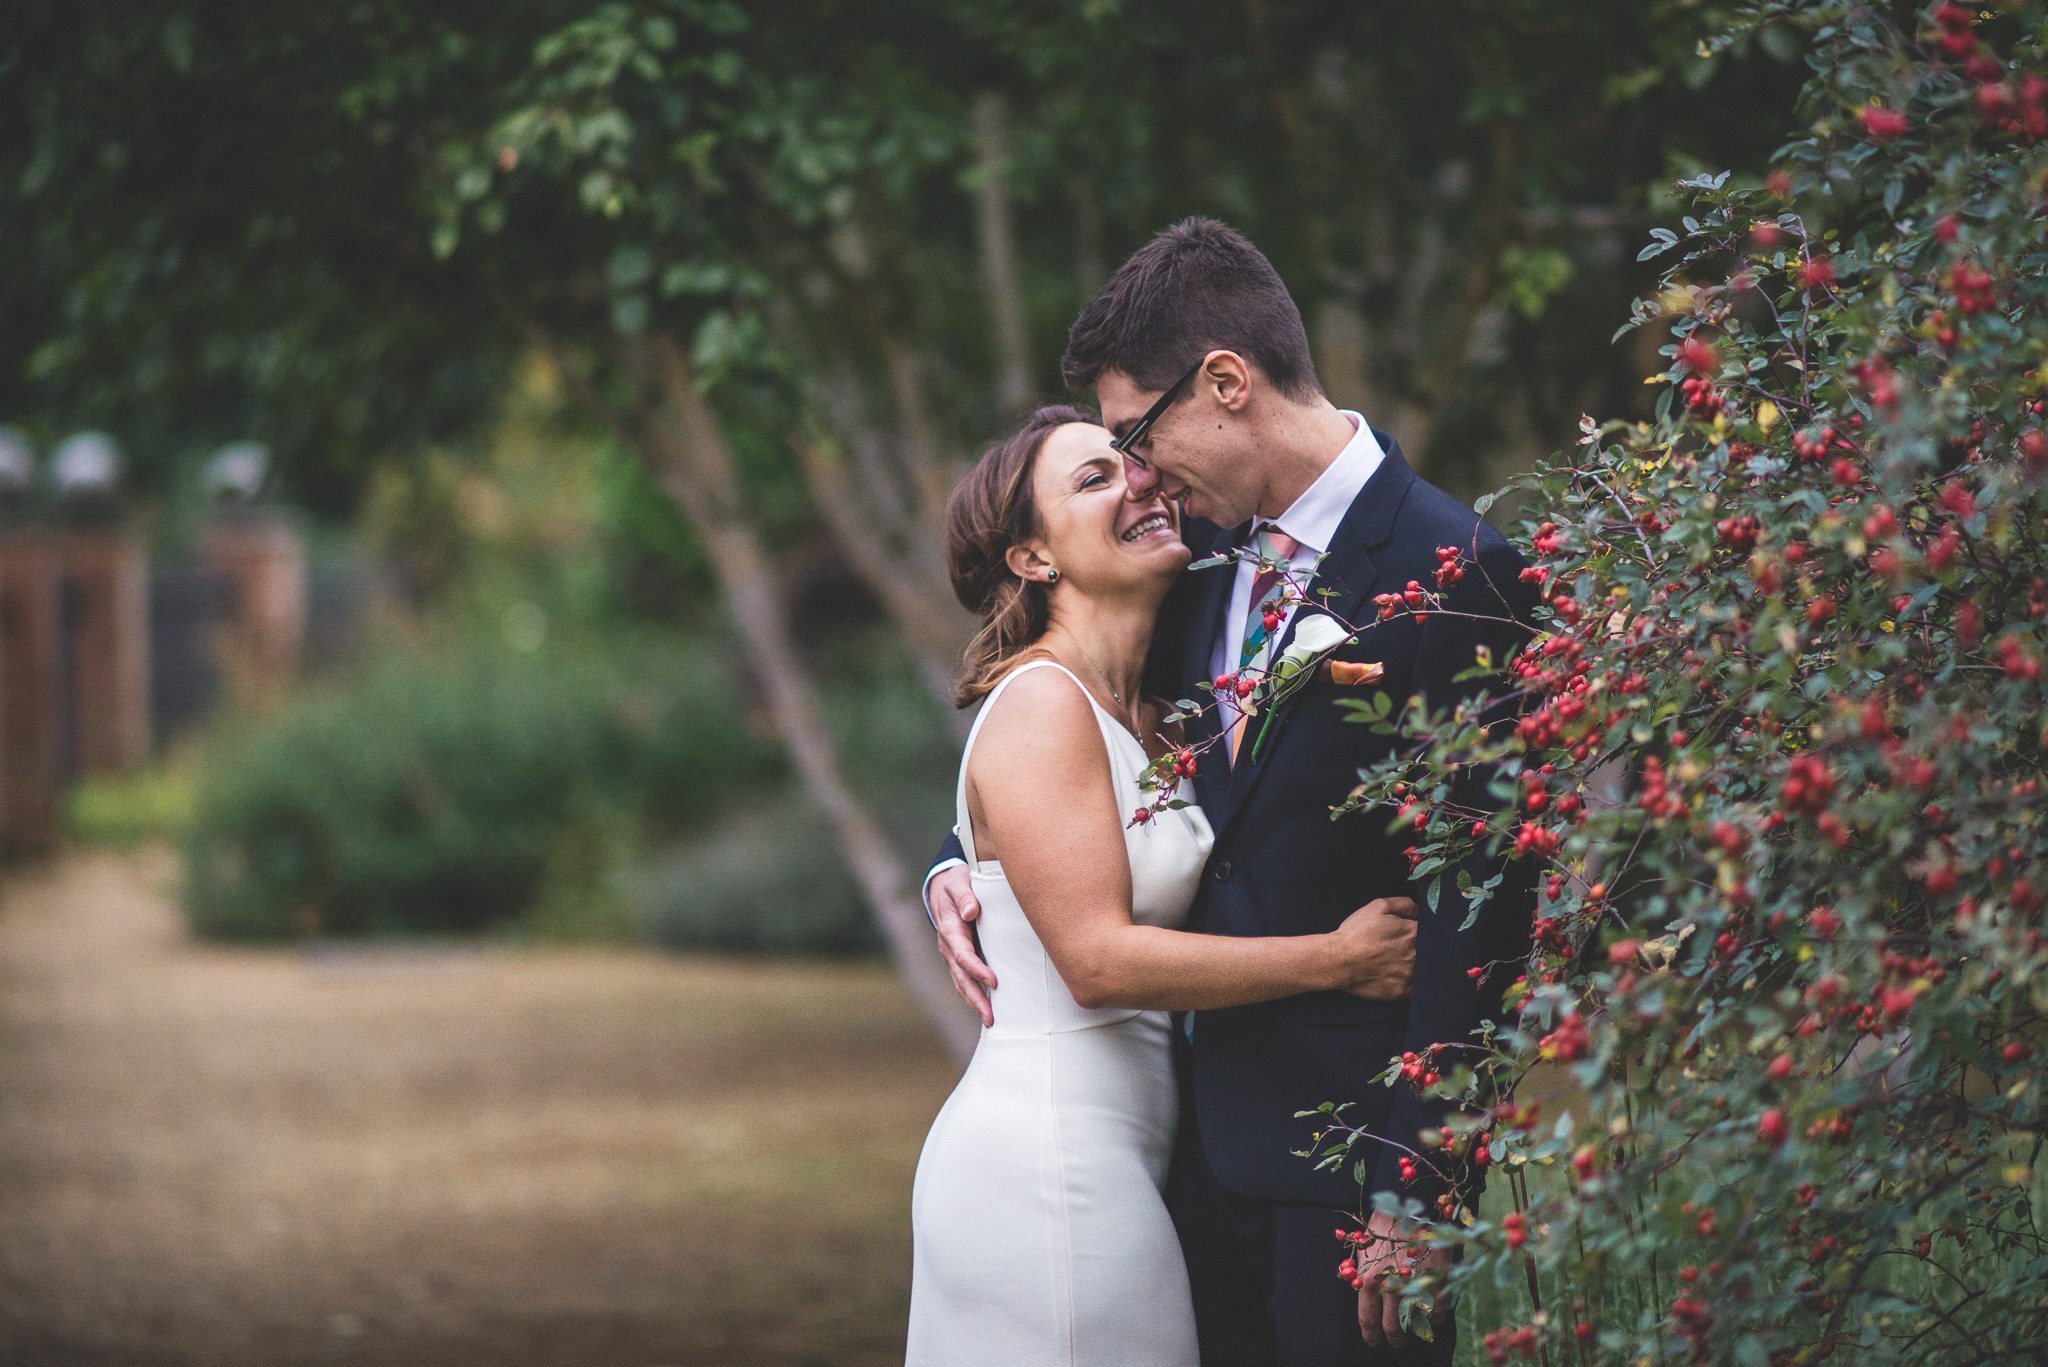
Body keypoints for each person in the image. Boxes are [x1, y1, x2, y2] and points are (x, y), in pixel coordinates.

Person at [924, 219, 1541, 1365]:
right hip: (1186, 1171)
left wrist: (1421, 1183)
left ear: (1225, 383)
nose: (1142, 477)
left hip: (1352, 1178)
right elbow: (1055, 736)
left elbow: (1486, 910)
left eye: (1136, 438)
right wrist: (953, 864)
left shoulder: (1456, 571)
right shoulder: (1192, 579)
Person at [906, 405, 1423, 1367]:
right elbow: (1097, 960)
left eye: (1130, 463)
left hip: (1141, 1153)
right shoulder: (1044, 703)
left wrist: (955, 860)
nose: (1137, 482)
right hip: (1047, 1169)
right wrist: (1336, 960)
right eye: (1093, 479)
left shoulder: (1153, 699)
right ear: (1031, 558)